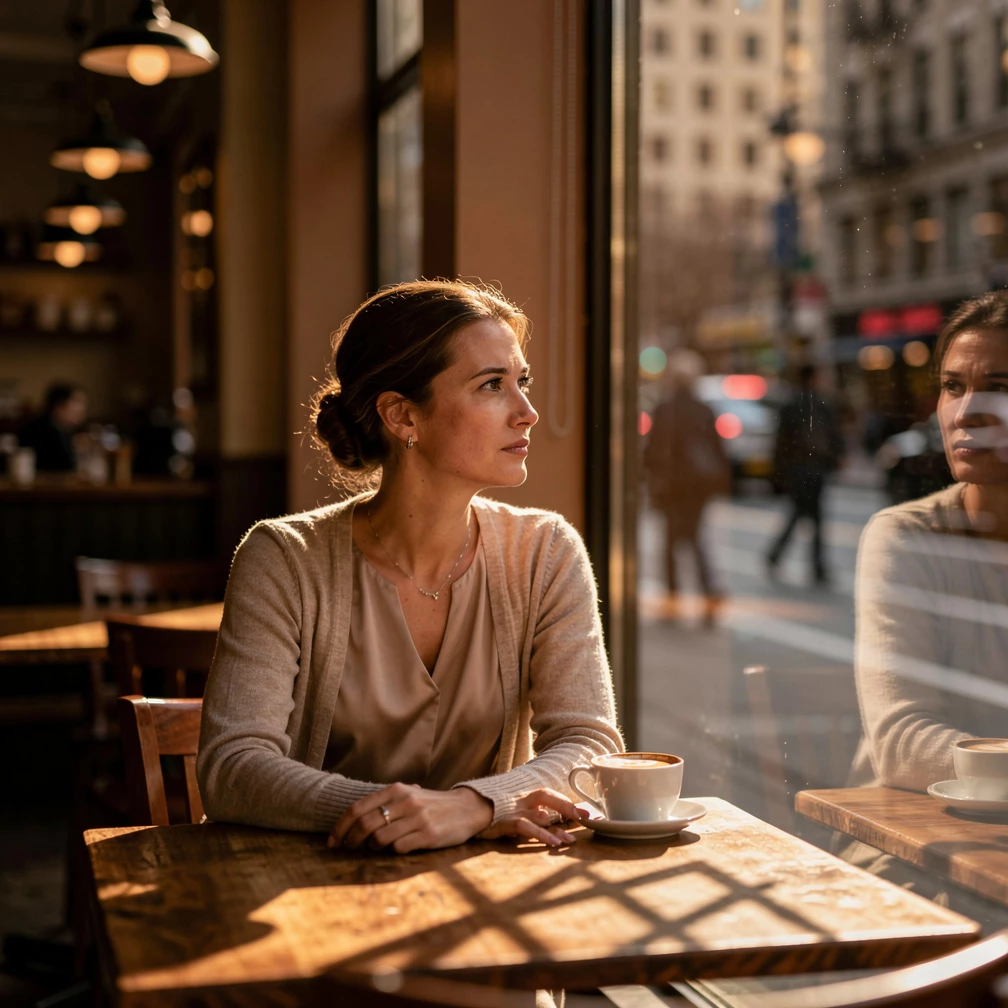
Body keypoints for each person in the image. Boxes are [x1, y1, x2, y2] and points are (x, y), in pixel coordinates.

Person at [197, 280, 623, 853]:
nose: (528, 412)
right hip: (306, 889)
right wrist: (404, 816)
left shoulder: (546, 551)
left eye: (521, 381)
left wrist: (471, 807)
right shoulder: (283, 558)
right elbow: (232, 768)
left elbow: (590, 742)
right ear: (402, 416)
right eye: (493, 386)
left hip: (485, 891)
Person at [851, 291, 1008, 793]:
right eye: (952, 386)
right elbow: (901, 744)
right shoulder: (904, 537)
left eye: (997, 388)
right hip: (910, 849)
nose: (965, 413)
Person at [642, 349, 729, 625]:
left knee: (670, 542)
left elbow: (652, 451)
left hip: (671, 486)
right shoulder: (704, 409)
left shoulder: (664, 408)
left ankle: (673, 599)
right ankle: (709, 593)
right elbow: (718, 450)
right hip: (698, 488)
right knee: (695, 539)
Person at [765, 364, 844, 585]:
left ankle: (781, 556)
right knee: (810, 517)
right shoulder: (815, 404)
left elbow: (782, 443)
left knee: (803, 515)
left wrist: (779, 471)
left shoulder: (799, 404)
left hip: (803, 468)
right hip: (810, 468)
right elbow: (832, 435)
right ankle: (815, 567)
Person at [17, 383, 87, 472]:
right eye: (78, 402)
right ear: (59, 406)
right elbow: (65, 468)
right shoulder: (39, 432)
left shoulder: (63, 430)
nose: (82, 409)